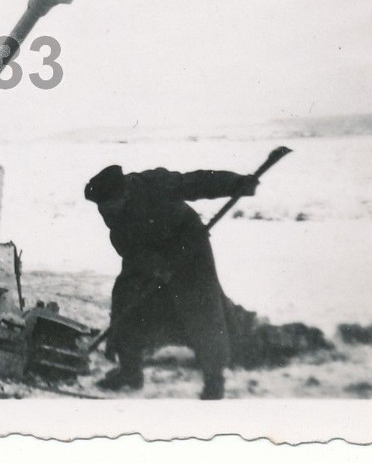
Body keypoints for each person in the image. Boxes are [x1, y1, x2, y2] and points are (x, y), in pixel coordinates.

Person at [84, 164, 258, 400]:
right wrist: (155, 266)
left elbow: (196, 182)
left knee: (202, 309)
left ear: (123, 192)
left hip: (188, 244)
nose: (104, 211)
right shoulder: (113, 215)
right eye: (102, 207)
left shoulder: (155, 183)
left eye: (108, 205)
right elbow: (129, 248)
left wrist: (235, 183)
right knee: (126, 297)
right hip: (149, 252)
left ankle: (214, 381)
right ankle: (129, 371)